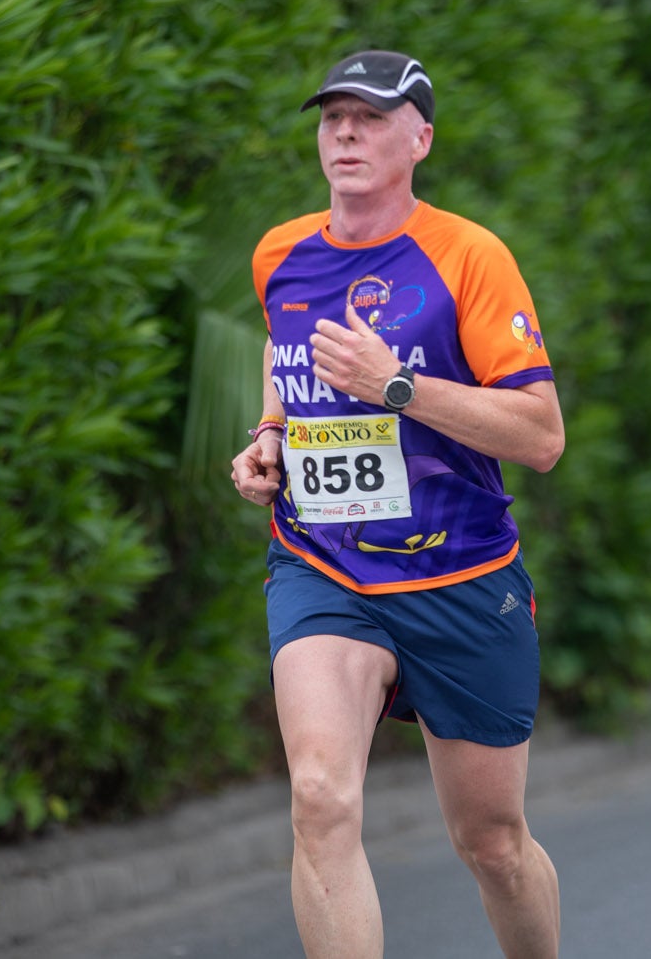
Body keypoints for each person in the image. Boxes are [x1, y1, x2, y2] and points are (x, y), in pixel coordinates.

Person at [229, 51, 565, 959]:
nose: (345, 132)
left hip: (462, 573)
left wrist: (399, 387)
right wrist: (269, 432)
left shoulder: (469, 255)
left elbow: (540, 434)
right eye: (332, 115)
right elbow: (285, 350)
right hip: (323, 564)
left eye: (370, 117)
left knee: (492, 842)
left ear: (419, 138)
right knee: (321, 798)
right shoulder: (280, 253)